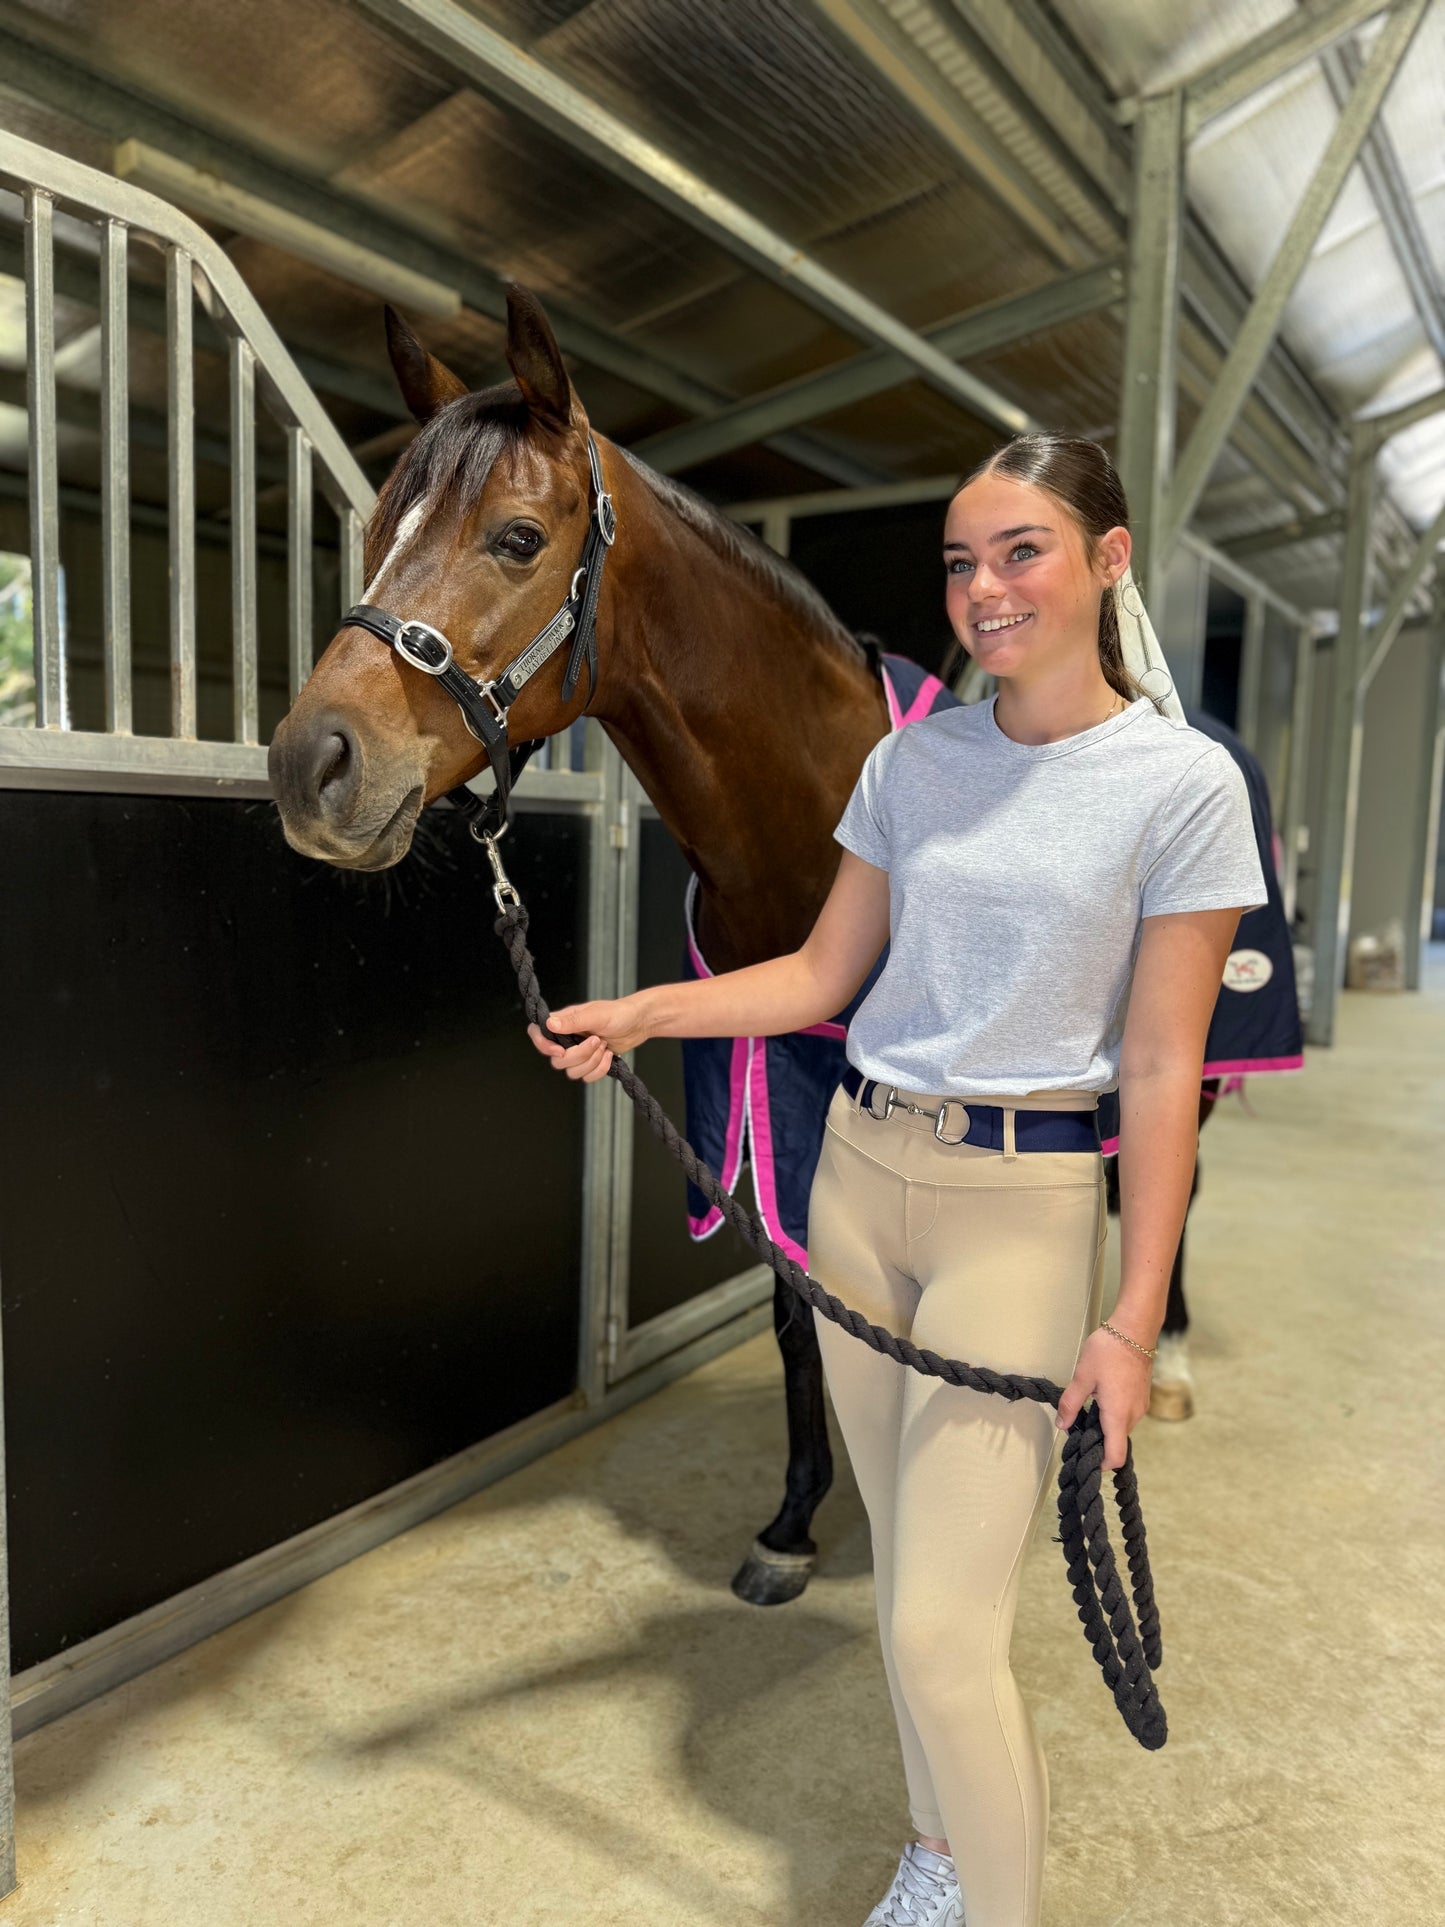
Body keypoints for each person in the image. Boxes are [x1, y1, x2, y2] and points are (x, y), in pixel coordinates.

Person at [528, 434, 1267, 1927]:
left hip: (1022, 1205)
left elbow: (1155, 1071)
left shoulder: (1181, 787)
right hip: (861, 1183)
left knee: (936, 1628)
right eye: (960, 560)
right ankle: (939, 1854)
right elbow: (815, 971)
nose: (983, 588)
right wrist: (642, 1011)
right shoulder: (911, 758)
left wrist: (1128, 1322)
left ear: (1107, 561)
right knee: (917, 1596)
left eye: (1021, 552)